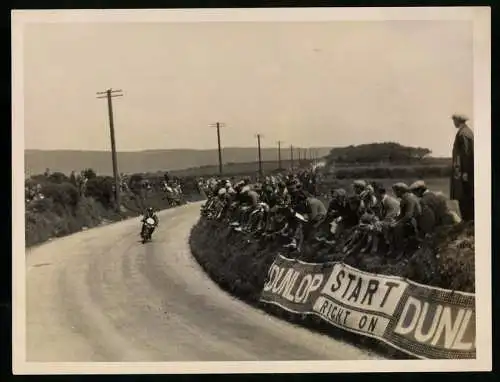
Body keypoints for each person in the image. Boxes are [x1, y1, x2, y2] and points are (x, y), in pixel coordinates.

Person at [450, 114, 474, 221]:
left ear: (458, 120)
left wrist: (465, 172)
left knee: (464, 197)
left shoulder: (463, 133)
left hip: (464, 172)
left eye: (454, 120)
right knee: (465, 196)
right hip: (464, 171)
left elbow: (467, 153)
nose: (453, 122)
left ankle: (468, 221)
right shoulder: (466, 132)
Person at [391, 182, 422, 252]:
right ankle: (393, 248)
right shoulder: (404, 199)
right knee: (391, 224)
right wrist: (395, 220)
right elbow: (402, 214)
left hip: (416, 222)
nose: (394, 193)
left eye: (395, 191)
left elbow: (409, 215)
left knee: (397, 228)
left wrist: (397, 223)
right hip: (410, 220)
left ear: (400, 191)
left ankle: (400, 251)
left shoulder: (409, 198)